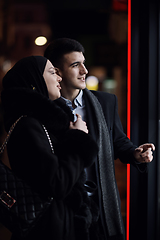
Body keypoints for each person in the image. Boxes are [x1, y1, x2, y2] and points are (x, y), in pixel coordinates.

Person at [44, 38, 155, 240]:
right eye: (75, 65)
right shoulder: (44, 109)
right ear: (57, 72)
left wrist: (135, 153)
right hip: (61, 206)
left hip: (100, 201)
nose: (84, 71)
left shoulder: (105, 101)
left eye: (83, 63)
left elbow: (118, 141)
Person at [0, 56, 99, 240]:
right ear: (34, 81)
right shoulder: (28, 126)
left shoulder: (43, 124)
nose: (59, 78)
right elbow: (57, 183)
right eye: (53, 72)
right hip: (47, 230)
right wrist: (78, 139)